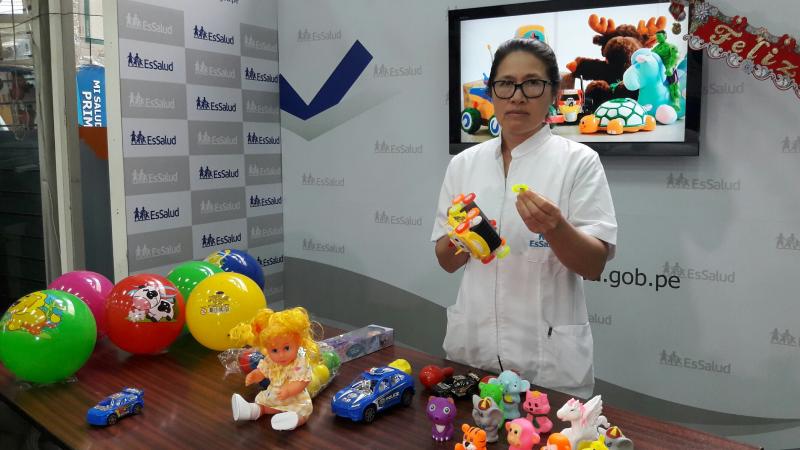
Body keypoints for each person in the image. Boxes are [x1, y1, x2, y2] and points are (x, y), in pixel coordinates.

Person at [431, 38, 617, 398]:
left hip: (548, 364)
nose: (517, 96)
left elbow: (593, 265)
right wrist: (463, 236)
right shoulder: (464, 165)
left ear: (554, 93)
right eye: (505, 84)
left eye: (532, 83)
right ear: (492, 92)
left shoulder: (578, 162)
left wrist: (556, 228)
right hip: (474, 355)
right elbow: (446, 262)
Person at [229, 307, 320, 430]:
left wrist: (289, 391)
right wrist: (256, 375)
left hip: (295, 399)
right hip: (274, 396)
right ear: (266, 349)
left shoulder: (300, 362)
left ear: (298, 342)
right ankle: (250, 410)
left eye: (286, 348)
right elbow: (263, 371)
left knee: (303, 412)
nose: (281, 355)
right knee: (263, 405)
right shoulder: (270, 361)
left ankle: (293, 420)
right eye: (274, 350)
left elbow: (302, 382)